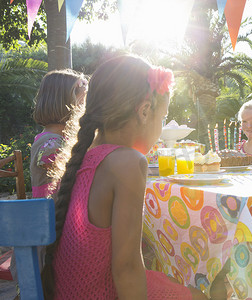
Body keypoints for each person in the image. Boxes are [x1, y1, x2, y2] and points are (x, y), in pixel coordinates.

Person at [40, 55, 207, 300]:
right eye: (162, 118)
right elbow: (126, 269)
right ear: (144, 111)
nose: (160, 130)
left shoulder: (86, 157)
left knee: (169, 280)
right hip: (100, 293)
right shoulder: (128, 163)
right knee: (200, 295)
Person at [30, 69, 87, 199]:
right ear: (68, 104)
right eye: (83, 103)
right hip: (53, 214)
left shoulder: (54, 138)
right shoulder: (52, 143)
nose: (85, 110)